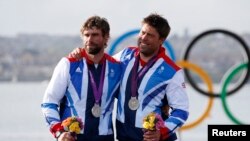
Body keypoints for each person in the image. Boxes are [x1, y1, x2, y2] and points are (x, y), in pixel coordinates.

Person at [69, 13, 189, 141]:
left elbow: (181, 110)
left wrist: (162, 132)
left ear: (161, 40)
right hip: (124, 136)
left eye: (150, 35)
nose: (144, 38)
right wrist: (82, 52)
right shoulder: (125, 55)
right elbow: (101, 63)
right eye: (142, 32)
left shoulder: (172, 71)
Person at [41, 16, 121, 141]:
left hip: (105, 137)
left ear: (106, 37)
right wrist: (59, 132)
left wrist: (163, 108)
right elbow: (49, 102)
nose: (89, 39)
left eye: (95, 35)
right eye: (86, 35)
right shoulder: (68, 64)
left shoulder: (116, 67)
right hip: (73, 137)